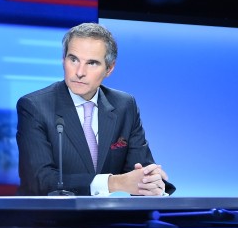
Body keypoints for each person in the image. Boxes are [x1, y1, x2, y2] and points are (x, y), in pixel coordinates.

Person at [16, 22, 175, 196]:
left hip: (110, 213)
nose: (79, 72)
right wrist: (114, 183)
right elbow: (39, 181)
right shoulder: (34, 106)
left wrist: (151, 182)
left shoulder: (124, 105)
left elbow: (140, 171)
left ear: (109, 68)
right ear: (63, 60)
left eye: (92, 63)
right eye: (73, 59)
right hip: (53, 213)